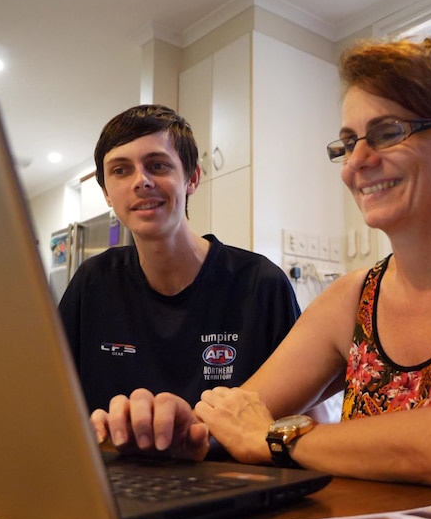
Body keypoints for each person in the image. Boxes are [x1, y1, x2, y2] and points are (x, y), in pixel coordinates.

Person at [91, 17, 431, 507]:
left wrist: (281, 439)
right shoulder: (353, 298)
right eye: (348, 142)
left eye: (389, 132)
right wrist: (164, 427)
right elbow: (233, 418)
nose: (359, 162)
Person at [57, 104, 302, 421]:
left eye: (157, 165)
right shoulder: (94, 282)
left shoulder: (260, 283)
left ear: (193, 178)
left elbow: (304, 411)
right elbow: (52, 399)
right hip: (115, 468)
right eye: (120, 170)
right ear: (106, 192)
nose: (141, 181)